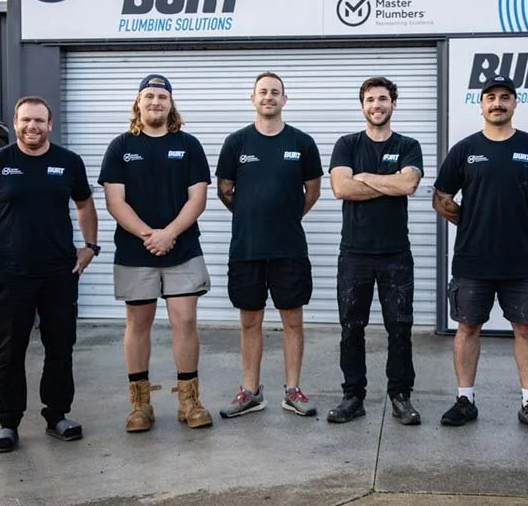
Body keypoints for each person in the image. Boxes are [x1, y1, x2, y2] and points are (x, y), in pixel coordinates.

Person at [0, 96, 99, 453]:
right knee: (9, 350)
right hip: (11, 273)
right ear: (15, 123)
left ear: (50, 125)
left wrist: (90, 246)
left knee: (60, 346)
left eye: (39, 121)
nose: (32, 127)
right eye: (25, 121)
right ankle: (8, 423)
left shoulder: (68, 162)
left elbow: (85, 204)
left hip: (59, 272)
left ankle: (57, 415)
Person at [432, 74, 528, 433]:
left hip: (521, 260)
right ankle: (465, 399)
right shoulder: (464, 149)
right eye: (490, 97)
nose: (497, 103)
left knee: (525, 328)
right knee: (467, 327)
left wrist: (525, 223)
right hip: (472, 260)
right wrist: (471, 222)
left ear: (514, 104)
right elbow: (441, 197)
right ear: (481, 105)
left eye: (505, 97)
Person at [98, 74, 213, 432]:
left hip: (182, 248)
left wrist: (169, 234)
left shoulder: (189, 145)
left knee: (186, 321)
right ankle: (140, 405)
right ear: (138, 102)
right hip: (136, 251)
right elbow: (115, 201)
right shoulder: (120, 147)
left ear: (170, 104)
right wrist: (151, 236)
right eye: (149, 96)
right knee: (138, 324)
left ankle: (188, 400)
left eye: (162, 97)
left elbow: (198, 198)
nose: (155, 102)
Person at [216, 72, 323, 419]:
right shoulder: (236, 143)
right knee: (250, 321)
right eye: (263, 92)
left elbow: (313, 191)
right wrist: (250, 215)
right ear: (252, 98)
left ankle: (293, 390)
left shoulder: (302, 143)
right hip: (247, 249)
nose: (269, 97)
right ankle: (250, 391)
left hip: (289, 248)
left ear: (284, 99)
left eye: (275, 92)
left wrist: (286, 216)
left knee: (293, 321)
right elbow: (224, 190)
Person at [326, 76, 423, 426]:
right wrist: (388, 182)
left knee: (400, 327)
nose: (376, 105)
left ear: (393, 104)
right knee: (351, 327)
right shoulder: (347, 144)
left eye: (383, 99)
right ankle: (353, 396)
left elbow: (409, 183)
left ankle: (401, 396)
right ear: (362, 105)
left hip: (396, 253)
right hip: (355, 254)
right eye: (370, 100)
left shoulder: (409, 144)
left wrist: (365, 177)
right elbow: (341, 188)